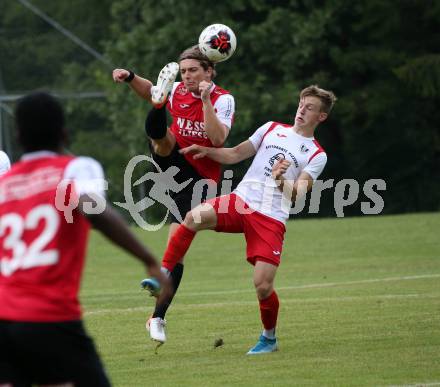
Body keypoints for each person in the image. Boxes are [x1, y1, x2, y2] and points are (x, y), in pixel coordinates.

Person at [142, 85, 337, 354]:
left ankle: (269, 338)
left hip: (270, 217)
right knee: (191, 217)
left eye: (310, 108)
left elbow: (297, 195)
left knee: (263, 286)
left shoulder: (316, 154)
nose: (302, 110)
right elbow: (235, 154)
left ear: (321, 117)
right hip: (240, 201)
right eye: (302, 104)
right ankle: (164, 273)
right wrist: (207, 151)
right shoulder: (271, 128)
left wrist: (281, 179)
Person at [0, 92, 171, 386]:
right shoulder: (76, 168)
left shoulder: (6, 182)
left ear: (18, 137)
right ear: (64, 132)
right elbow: (93, 208)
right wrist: (148, 259)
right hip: (49, 316)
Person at [112, 45, 235, 344]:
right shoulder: (177, 90)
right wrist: (130, 77)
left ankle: (157, 317)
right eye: (184, 71)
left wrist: (205, 100)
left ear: (210, 71)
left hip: (201, 178)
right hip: (174, 161)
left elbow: (218, 138)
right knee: (162, 139)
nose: (188, 76)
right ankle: (158, 109)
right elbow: (148, 88)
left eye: (194, 70)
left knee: (176, 248)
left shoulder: (223, 99)